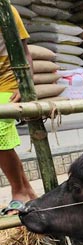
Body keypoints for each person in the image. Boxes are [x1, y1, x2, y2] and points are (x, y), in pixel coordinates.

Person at [0, 6, 37, 215]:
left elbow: (25, 52)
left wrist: (25, 84)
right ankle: (28, 191)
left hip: (8, 84)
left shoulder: (6, 10)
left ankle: (19, 191)